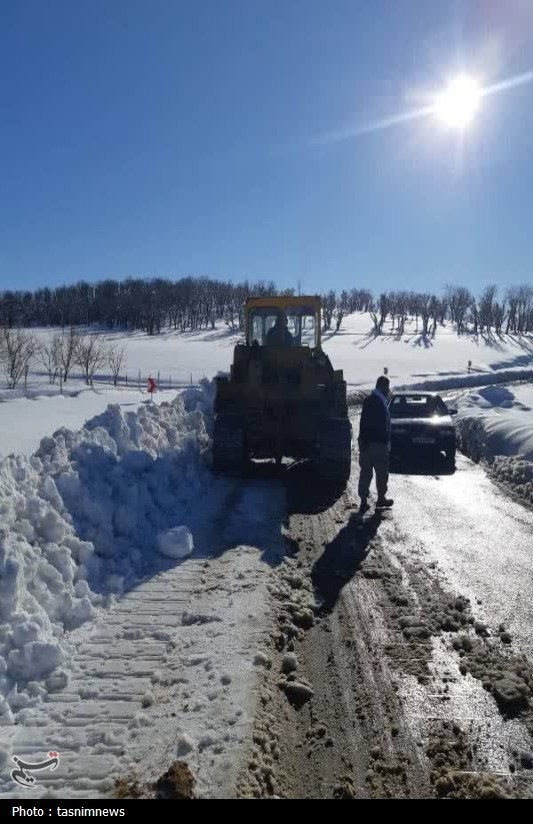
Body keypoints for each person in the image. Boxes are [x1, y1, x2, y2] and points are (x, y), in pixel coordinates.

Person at [358, 375, 394, 513]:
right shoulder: (378, 402)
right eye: (387, 387)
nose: (388, 390)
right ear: (383, 387)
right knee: (381, 472)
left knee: (366, 473)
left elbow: (363, 423)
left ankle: (364, 500)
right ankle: (380, 498)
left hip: (367, 443)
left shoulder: (372, 400)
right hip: (377, 444)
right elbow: (378, 424)